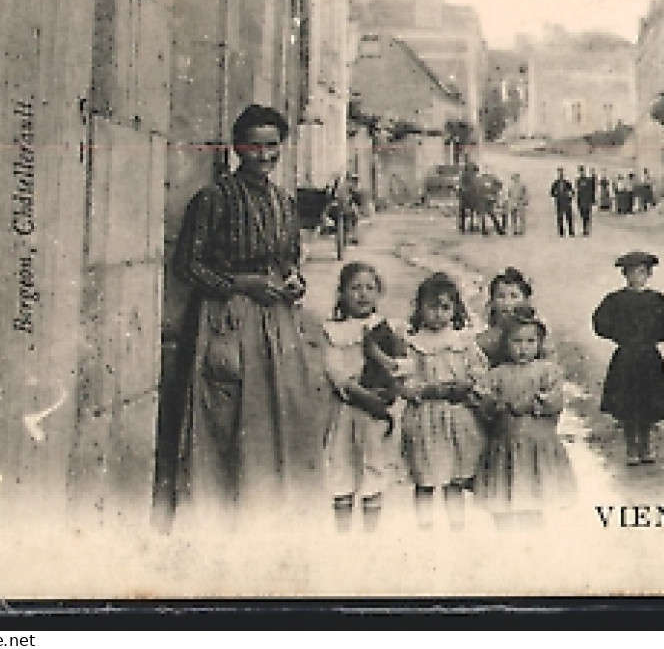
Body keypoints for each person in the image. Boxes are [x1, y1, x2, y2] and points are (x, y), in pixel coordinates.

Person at [171, 103, 333, 520]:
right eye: (255, 147)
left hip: (275, 321)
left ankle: (270, 510)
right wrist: (241, 284)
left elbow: (290, 259)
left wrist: (294, 282)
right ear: (238, 148)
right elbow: (188, 265)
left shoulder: (283, 202)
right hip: (227, 317)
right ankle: (224, 513)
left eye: (272, 146)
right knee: (228, 415)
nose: (264, 156)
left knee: (281, 415)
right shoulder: (214, 198)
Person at [397, 273, 488, 530]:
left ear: (455, 309)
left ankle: (457, 527)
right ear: (420, 309)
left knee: (454, 479)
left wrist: (466, 385)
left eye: (445, 307)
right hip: (424, 417)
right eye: (431, 307)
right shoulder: (414, 344)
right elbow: (404, 381)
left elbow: (478, 372)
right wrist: (425, 390)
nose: (438, 314)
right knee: (425, 479)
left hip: (455, 417)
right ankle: (425, 528)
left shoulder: (462, 341)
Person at [475, 312, 577, 530]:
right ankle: (506, 546)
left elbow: (555, 400)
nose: (523, 348)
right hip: (507, 443)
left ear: (539, 344)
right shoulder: (497, 374)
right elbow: (482, 401)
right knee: (504, 500)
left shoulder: (547, 371)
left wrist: (531, 403)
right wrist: (495, 404)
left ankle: (534, 545)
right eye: (517, 341)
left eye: (530, 341)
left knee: (533, 501)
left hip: (535, 444)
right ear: (506, 344)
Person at [322, 263, 399, 532]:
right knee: (342, 465)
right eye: (355, 288)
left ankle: (370, 536)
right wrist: (362, 395)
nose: (362, 294)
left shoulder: (384, 328)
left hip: (373, 415)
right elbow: (334, 371)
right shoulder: (333, 330)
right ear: (341, 293)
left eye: (369, 288)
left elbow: (398, 366)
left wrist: (387, 392)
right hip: (345, 409)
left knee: (373, 466)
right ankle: (344, 536)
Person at [592, 251, 664, 466]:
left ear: (649, 274)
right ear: (625, 275)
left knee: (646, 403)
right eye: (632, 273)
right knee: (628, 405)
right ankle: (631, 448)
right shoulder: (616, 300)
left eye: (642, 272)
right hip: (626, 358)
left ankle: (645, 446)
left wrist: (655, 336)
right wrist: (620, 336)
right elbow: (600, 323)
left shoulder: (656, 299)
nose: (637, 277)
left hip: (649, 358)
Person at [475, 268, 553, 367]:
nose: (507, 303)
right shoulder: (487, 334)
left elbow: (548, 360)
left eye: (514, 296)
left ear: (526, 301)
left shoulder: (534, 329)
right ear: (492, 302)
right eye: (501, 296)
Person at [549, 168, 576, 239]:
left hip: (567, 202)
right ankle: (561, 232)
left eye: (561, 173)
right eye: (559, 173)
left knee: (569, 217)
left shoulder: (567, 183)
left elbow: (572, 192)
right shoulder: (555, 183)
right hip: (559, 202)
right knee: (560, 217)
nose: (560, 175)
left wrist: (570, 195)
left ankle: (571, 231)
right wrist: (556, 195)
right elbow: (551, 193)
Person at [575, 166, 597, 236]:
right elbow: (578, 191)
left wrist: (592, 200)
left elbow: (593, 187)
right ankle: (585, 228)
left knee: (586, 215)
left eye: (582, 171)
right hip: (581, 200)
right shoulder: (578, 181)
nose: (581, 173)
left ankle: (586, 229)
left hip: (587, 200)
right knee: (582, 215)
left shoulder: (588, 180)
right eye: (580, 172)